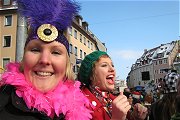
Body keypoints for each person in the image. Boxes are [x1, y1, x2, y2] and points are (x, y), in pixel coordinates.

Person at [0, 0, 91, 119]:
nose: (44, 60)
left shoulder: (77, 107)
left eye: (56, 52)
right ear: (24, 58)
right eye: (35, 50)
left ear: (66, 64)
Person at [78, 50, 148, 120]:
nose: (112, 69)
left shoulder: (113, 99)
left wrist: (135, 116)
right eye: (104, 65)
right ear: (91, 75)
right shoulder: (79, 103)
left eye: (112, 65)